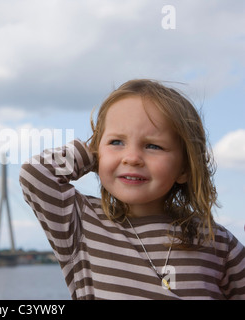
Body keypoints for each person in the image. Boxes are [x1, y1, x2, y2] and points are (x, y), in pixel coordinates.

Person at [19, 79, 245, 300]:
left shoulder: (216, 241)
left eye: (153, 146)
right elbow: (35, 174)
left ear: (185, 168)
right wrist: (96, 152)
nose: (132, 158)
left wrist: (111, 150)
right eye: (117, 142)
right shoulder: (82, 224)